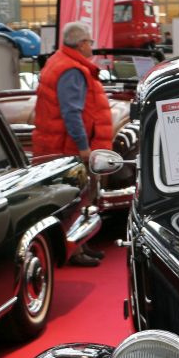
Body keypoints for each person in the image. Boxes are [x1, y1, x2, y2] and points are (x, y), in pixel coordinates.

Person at [32, 22, 109, 266]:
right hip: (68, 148)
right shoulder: (72, 70)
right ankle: (74, 250)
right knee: (77, 199)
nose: (92, 46)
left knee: (75, 198)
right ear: (82, 44)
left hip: (57, 144)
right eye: (90, 42)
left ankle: (80, 244)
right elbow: (72, 113)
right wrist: (83, 146)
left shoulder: (58, 62)